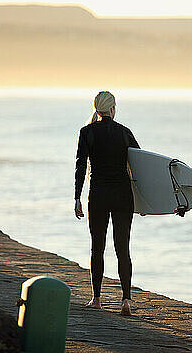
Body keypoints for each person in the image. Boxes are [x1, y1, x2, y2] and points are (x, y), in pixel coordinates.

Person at [74, 91, 139, 316]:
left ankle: (97, 298)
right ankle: (126, 301)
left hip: (98, 195)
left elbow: (81, 166)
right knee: (123, 248)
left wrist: (76, 198)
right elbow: (140, 167)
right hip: (123, 196)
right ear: (112, 108)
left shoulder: (87, 132)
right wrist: (145, 202)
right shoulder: (124, 133)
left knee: (97, 248)